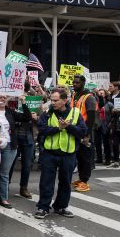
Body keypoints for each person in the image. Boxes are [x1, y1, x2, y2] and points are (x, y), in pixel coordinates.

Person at [35, 89, 87, 219]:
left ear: (65, 100)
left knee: (65, 182)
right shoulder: (46, 113)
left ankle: (61, 206)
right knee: (46, 181)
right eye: (51, 100)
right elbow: (41, 130)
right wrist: (58, 128)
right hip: (49, 153)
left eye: (56, 100)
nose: (52, 102)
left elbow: (82, 131)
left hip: (68, 154)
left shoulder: (75, 113)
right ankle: (43, 207)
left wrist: (68, 127)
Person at [70, 75, 97, 192]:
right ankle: (81, 179)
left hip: (85, 132)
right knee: (79, 157)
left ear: (83, 83)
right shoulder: (74, 95)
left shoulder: (89, 97)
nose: (74, 84)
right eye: (73, 82)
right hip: (76, 131)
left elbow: (91, 118)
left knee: (86, 158)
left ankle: (85, 181)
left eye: (77, 83)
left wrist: (87, 135)